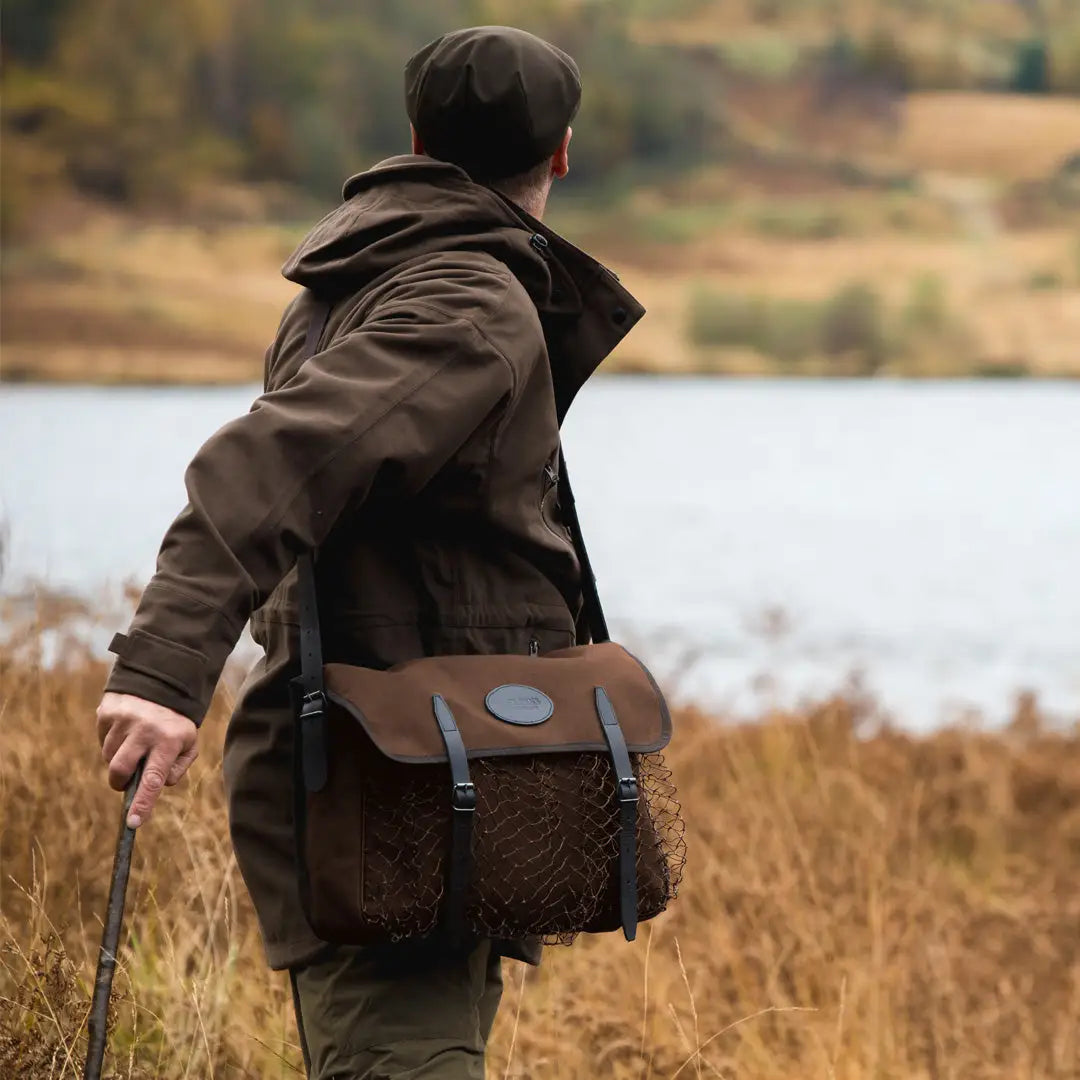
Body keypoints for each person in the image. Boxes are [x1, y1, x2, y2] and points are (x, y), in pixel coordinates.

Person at [96, 24, 644, 1080]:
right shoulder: (468, 304)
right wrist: (164, 670)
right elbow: (272, 461)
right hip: (394, 796)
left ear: (417, 138)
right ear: (563, 151)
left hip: (402, 780)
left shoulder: (362, 279)